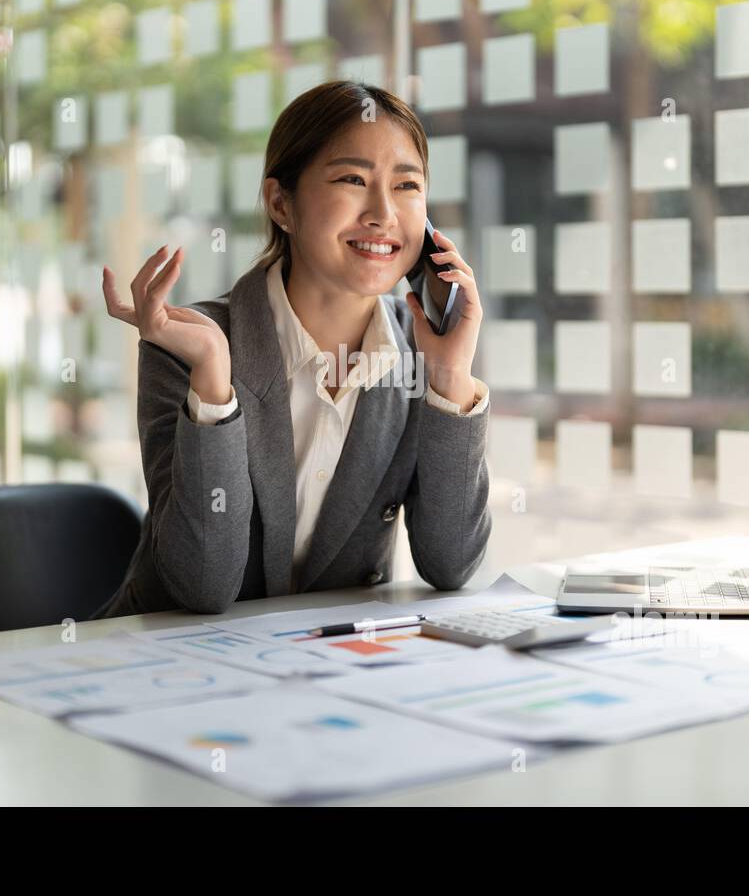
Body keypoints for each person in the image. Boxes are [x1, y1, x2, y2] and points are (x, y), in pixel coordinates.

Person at [92, 80, 491, 616]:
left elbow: (452, 565)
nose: (383, 214)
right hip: (174, 670)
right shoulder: (190, 344)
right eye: (352, 179)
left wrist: (451, 382)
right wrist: (213, 384)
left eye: (406, 186)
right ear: (281, 202)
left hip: (329, 668)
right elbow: (202, 586)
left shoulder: (421, 354)